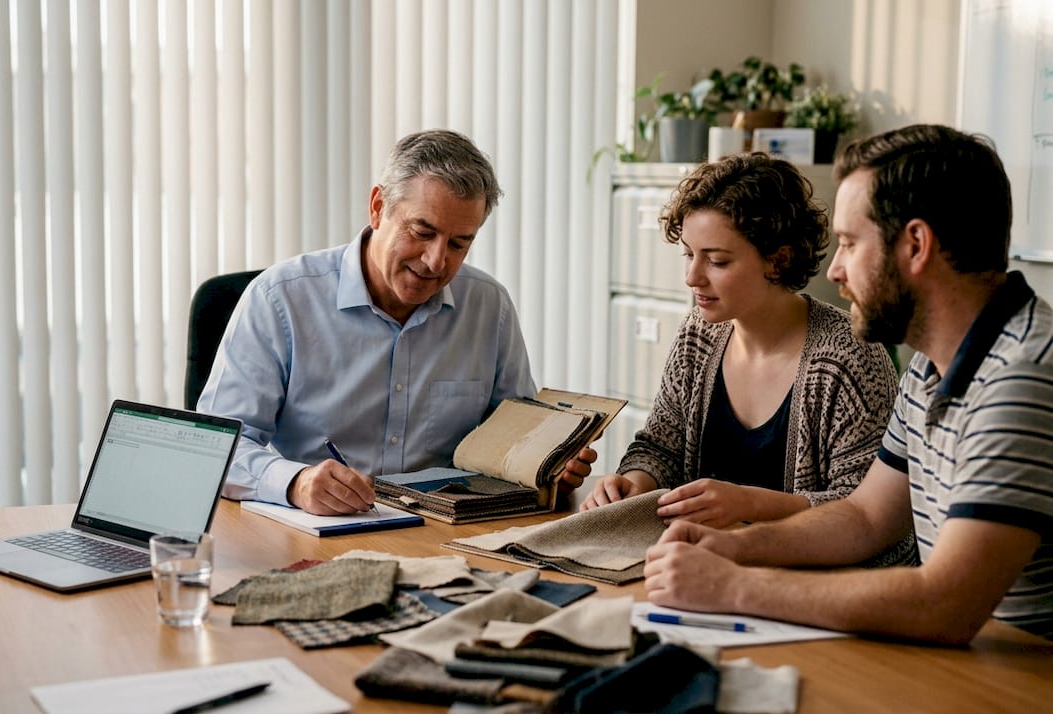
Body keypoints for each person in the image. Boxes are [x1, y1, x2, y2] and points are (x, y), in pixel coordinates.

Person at [642, 124, 1053, 643]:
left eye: (850, 244)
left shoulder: (1022, 376)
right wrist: (732, 547)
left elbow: (946, 604)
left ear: (916, 245)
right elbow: (865, 516)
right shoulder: (931, 366)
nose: (834, 269)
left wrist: (735, 585)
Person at [197, 129, 595, 515]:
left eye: (459, 244)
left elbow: (513, 439)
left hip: (446, 534)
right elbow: (214, 449)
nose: (436, 261)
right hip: (318, 531)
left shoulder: (490, 306)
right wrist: (295, 483)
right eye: (422, 232)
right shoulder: (280, 299)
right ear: (377, 208)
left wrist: (548, 463)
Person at [582, 154, 911, 563]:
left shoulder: (848, 356)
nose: (693, 277)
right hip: (713, 572)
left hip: (821, 587)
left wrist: (749, 504)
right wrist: (634, 482)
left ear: (779, 260)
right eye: (689, 254)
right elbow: (660, 447)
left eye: (717, 261)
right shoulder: (697, 336)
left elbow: (866, 510)